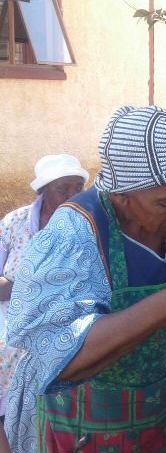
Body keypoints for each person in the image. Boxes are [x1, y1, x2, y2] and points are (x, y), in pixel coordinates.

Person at [4, 106, 166, 453]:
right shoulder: (74, 234)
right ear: (121, 196)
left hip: (162, 412)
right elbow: (61, 359)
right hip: (87, 427)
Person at [0, 154, 88, 422]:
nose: (73, 196)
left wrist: (24, 287)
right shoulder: (15, 222)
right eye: (63, 189)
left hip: (64, 319)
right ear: (43, 191)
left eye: (78, 188)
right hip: (10, 317)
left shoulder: (87, 226)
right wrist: (32, 289)